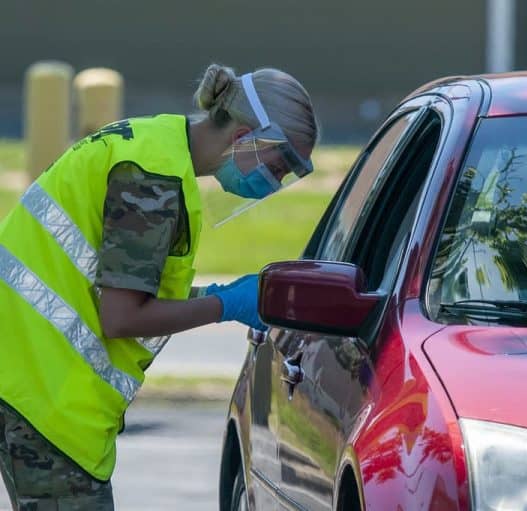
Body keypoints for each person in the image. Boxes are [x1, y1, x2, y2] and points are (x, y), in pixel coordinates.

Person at [0, 63, 318, 510]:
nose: (276, 183)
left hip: (23, 370)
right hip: (41, 391)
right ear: (244, 136)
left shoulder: (152, 144)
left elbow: (120, 291)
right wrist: (224, 305)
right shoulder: (154, 182)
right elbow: (122, 317)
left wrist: (213, 296)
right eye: (280, 165)